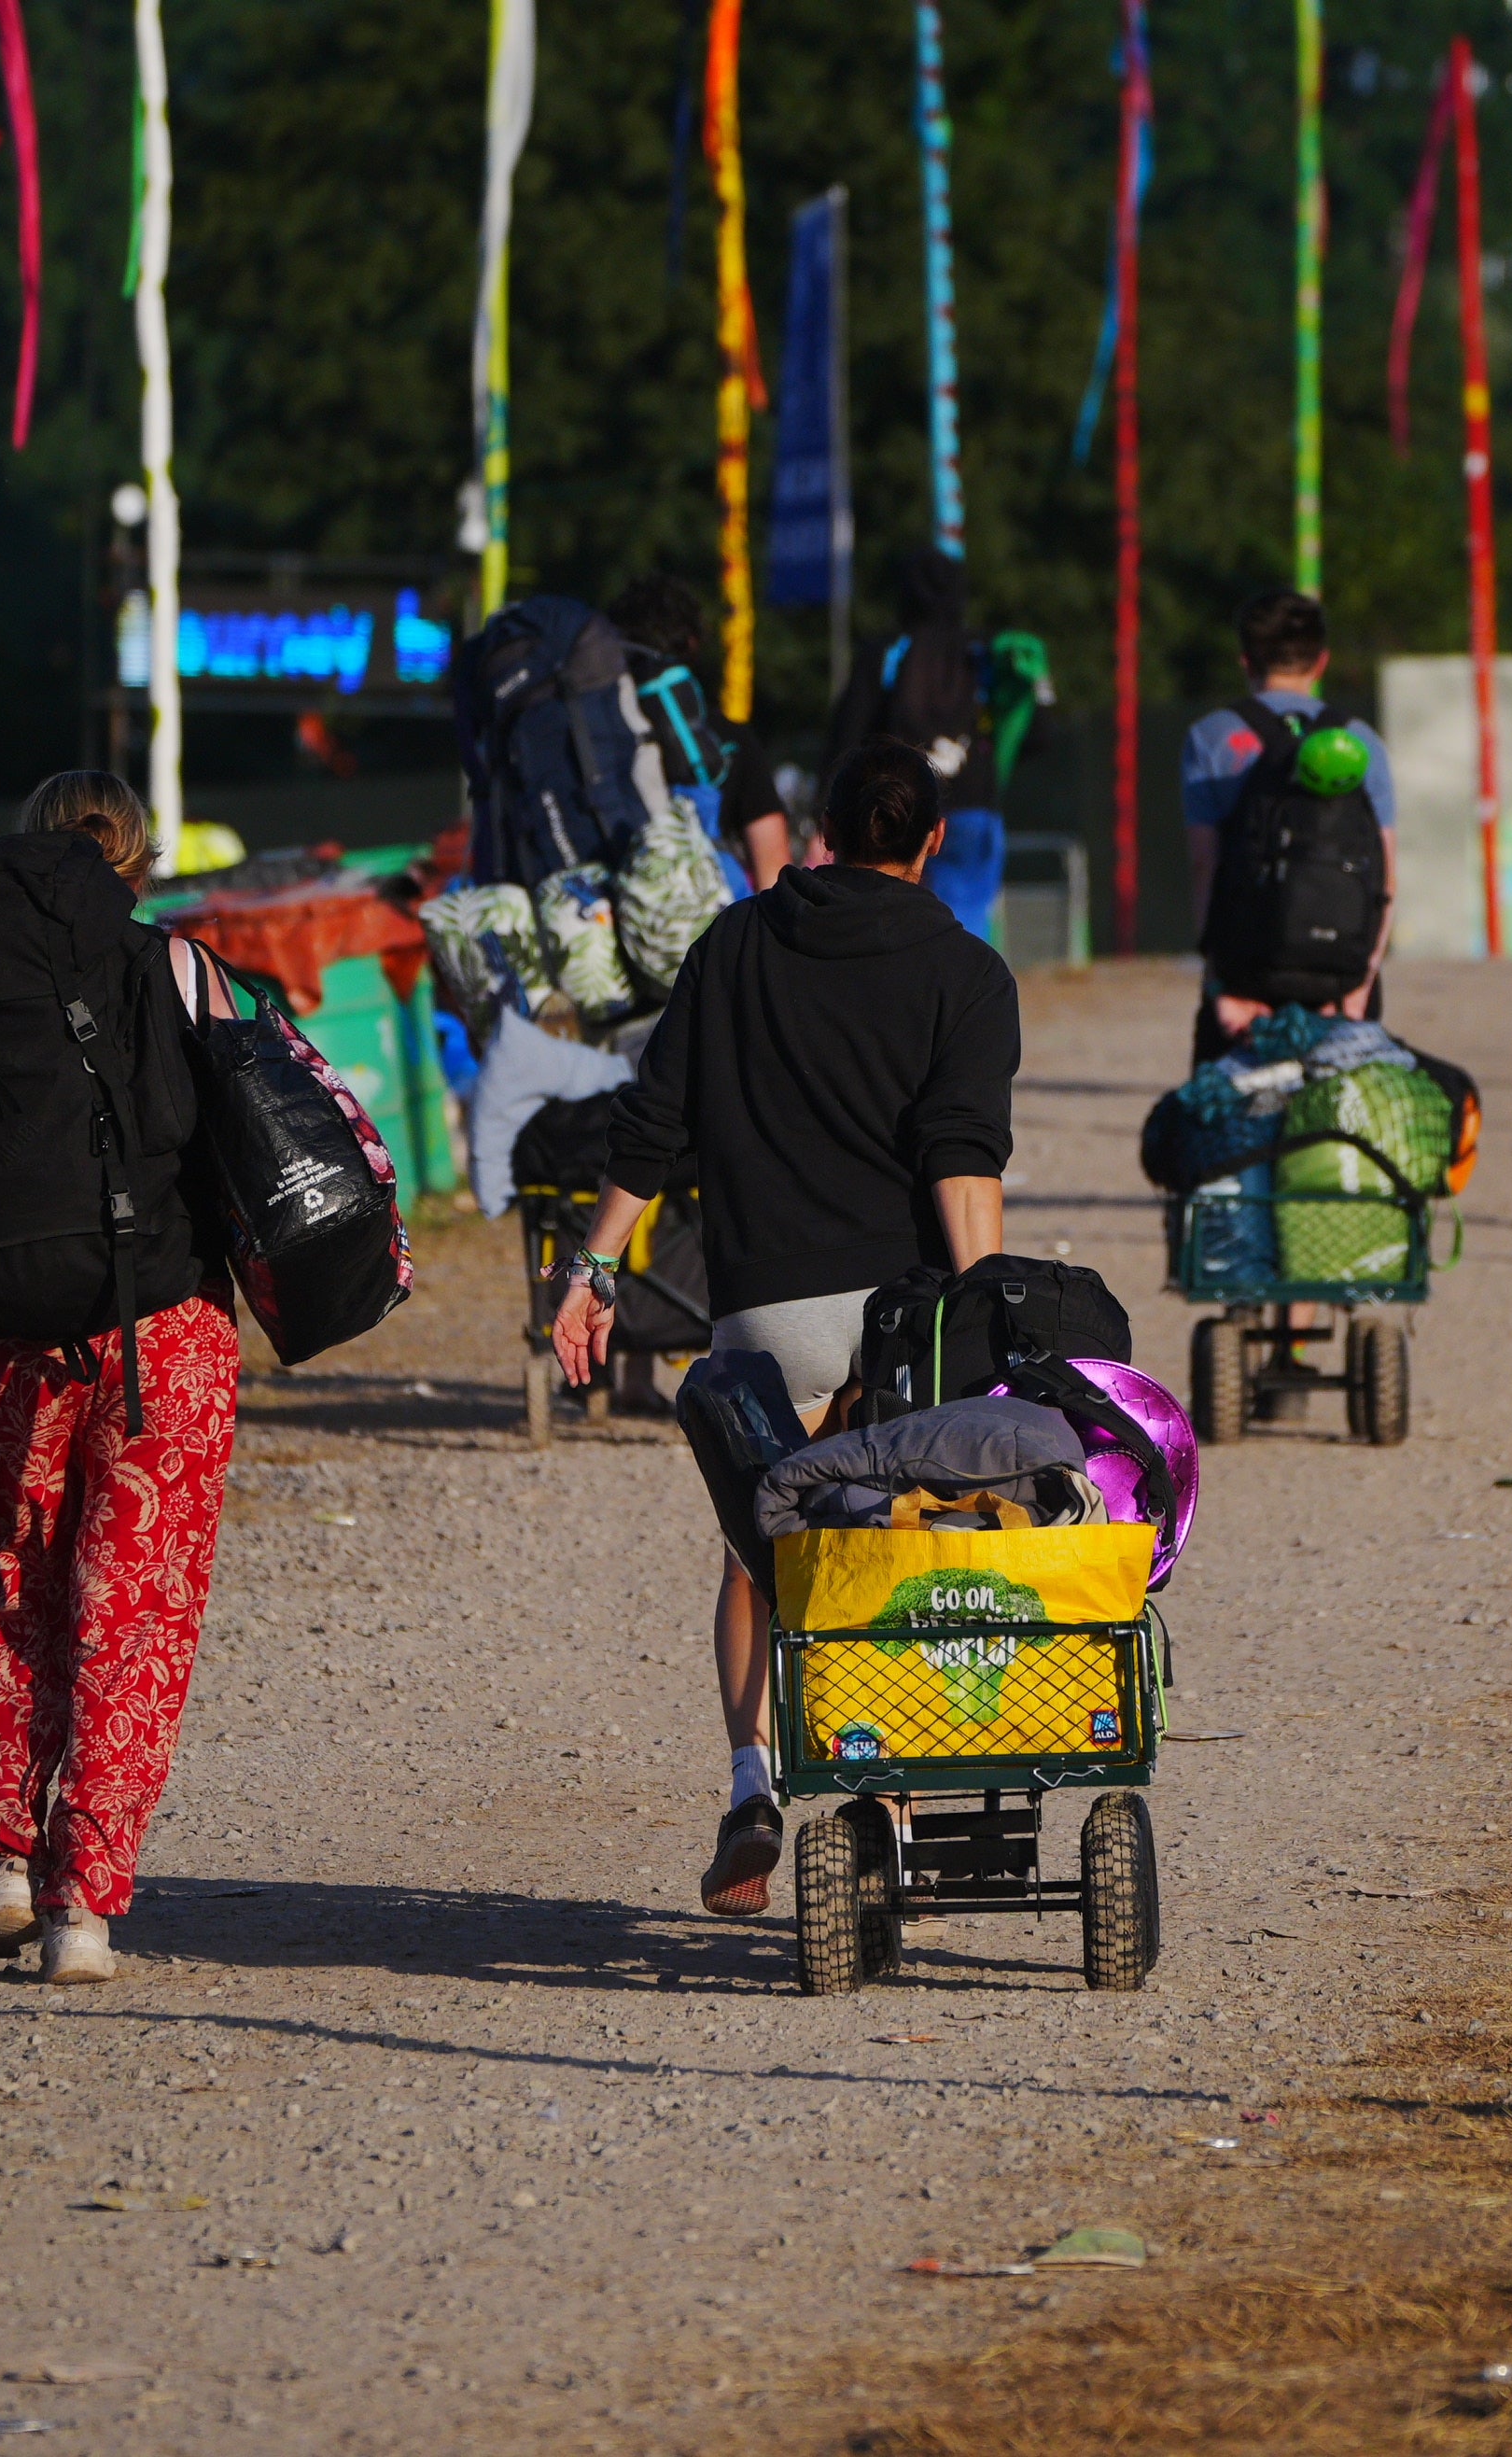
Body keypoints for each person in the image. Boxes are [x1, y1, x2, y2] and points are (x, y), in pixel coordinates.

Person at [545, 740, 1019, 1916]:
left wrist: (593, 1268)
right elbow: (962, 1160)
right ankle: (894, 1809)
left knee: (760, 1551)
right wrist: (997, 1314)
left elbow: (651, 1123)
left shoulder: (734, 945)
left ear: (824, 831)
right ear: (933, 842)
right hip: (907, 1317)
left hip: (767, 1316)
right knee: (903, 1538)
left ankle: (755, 1781)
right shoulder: (967, 970)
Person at [0, 771, 245, 1987]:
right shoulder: (178, 968)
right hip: (166, 1331)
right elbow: (248, 1137)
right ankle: (80, 1915)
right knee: (130, 1612)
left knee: (19, 1582)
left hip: (10, 1327)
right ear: (137, 863)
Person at [1182, 589, 1397, 1064]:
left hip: (1247, 973)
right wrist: (1359, 984)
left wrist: (1219, 982)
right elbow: (1384, 877)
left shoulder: (1210, 737)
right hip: (1342, 974)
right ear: (1321, 661)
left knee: (1227, 1118)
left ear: (1245, 660)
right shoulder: (1360, 741)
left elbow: (1205, 866)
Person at [831, 548, 1006, 938]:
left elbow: (846, 738)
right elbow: (1036, 732)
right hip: (976, 805)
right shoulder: (984, 653)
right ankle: (968, 993)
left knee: (890, 924)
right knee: (967, 928)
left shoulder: (886, 652)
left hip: (894, 808)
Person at [609, 574, 795, 894]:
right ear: (692, 643)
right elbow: (773, 873)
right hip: (710, 928)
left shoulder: (600, 735)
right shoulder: (731, 739)